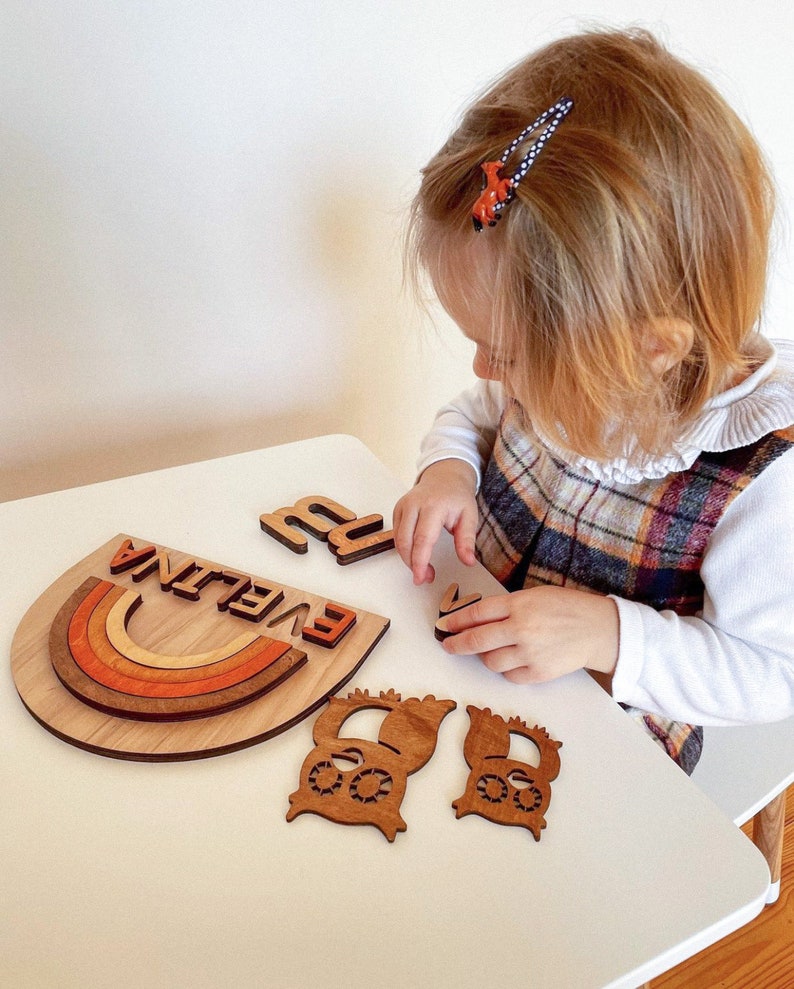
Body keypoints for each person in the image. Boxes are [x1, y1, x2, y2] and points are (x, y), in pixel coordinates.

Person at [393, 28, 794, 774]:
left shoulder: (759, 470)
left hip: (601, 752)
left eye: (506, 354)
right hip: (468, 651)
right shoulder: (573, 361)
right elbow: (472, 414)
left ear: (651, 349)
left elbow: (772, 672)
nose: (486, 368)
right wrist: (447, 471)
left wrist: (611, 635)